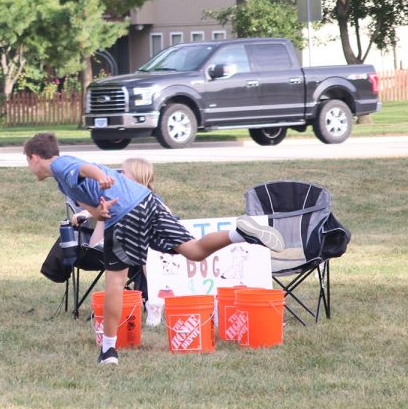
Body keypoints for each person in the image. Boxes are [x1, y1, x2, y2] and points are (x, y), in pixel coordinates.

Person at [24, 132, 284, 365]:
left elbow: (86, 168)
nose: (29, 167)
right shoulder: (62, 182)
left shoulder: (59, 164)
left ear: (35, 157)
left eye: (28, 161)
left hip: (126, 213)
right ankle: (240, 234)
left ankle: (108, 351)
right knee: (193, 250)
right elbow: (90, 205)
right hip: (146, 199)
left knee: (115, 282)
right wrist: (97, 211)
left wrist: (102, 178)